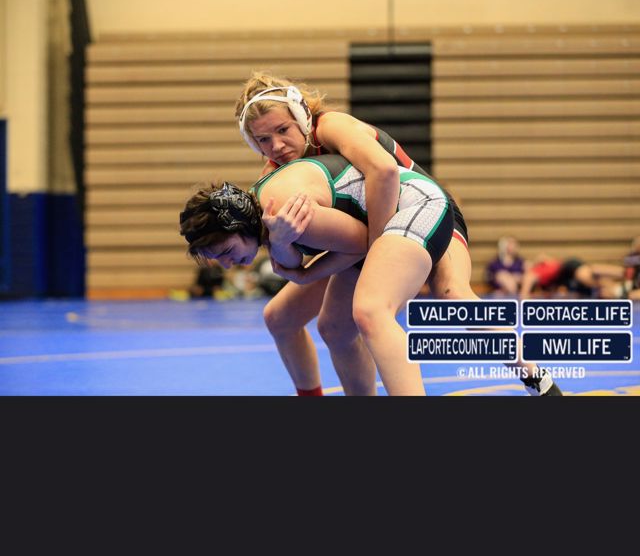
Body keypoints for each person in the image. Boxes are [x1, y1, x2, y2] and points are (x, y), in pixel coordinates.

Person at [233, 73, 562, 398]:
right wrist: (283, 242)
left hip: (423, 211)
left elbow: (384, 170)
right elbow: (303, 248)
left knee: (452, 292)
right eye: (263, 140)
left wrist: (375, 254)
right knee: (317, 324)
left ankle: (535, 377)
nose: (276, 146)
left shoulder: (330, 127)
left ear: (301, 115)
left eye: (283, 130)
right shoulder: (274, 174)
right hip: (369, 233)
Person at [179, 153, 454, 396]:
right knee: (305, 323)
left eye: (227, 251)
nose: (227, 265)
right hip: (380, 225)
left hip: (417, 206)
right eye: (218, 259)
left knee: (371, 313)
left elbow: (364, 242)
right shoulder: (265, 218)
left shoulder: (290, 212)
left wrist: (308, 274)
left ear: (240, 225)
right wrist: (286, 250)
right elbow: (296, 260)